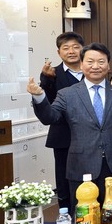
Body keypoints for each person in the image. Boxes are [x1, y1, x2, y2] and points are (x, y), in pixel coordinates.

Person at [28, 43, 112, 220]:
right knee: (84, 216)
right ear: (81, 65)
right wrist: (39, 97)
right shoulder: (67, 94)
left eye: (101, 62)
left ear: (108, 65)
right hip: (81, 163)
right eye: (90, 61)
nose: (95, 66)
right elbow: (50, 117)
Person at [38, 32, 84, 212]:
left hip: (91, 137)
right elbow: (48, 106)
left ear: (83, 49)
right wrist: (46, 80)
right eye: (66, 48)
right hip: (63, 138)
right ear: (59, 52)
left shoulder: (93, 71)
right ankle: (67, 219)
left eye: (75, 47)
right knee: (64, 182)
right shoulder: (51, 74)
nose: (71, 51)